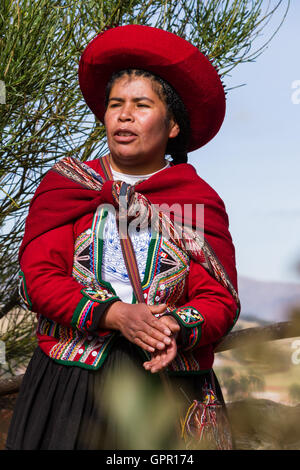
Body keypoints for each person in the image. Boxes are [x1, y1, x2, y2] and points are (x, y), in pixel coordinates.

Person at [6, 25, 240, 450]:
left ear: (172, 127)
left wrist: (171, 327)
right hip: (72, 387)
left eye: (141, 105)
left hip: (167, 385)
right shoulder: (69, 187)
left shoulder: (197, 202)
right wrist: (114, 315)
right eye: (115, 105)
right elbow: (39, 275)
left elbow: (220, 299)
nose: (124, 115)